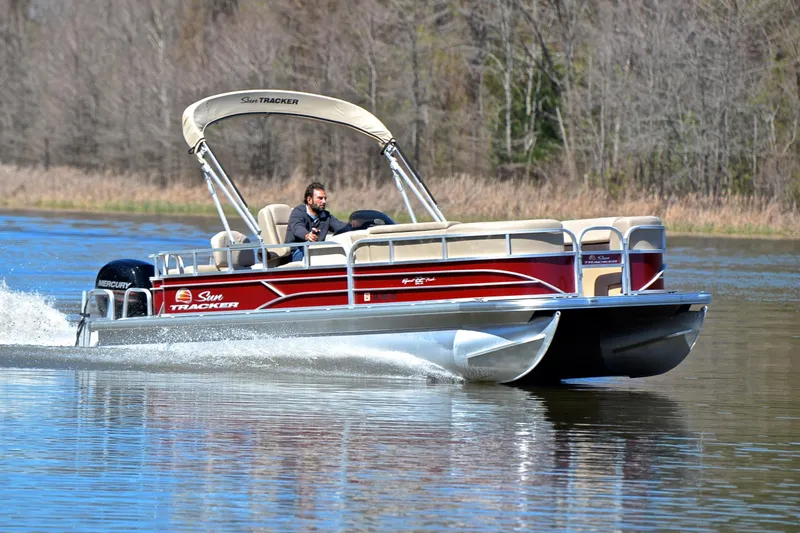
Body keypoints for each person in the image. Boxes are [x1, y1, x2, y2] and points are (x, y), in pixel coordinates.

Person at [285, 182, 349, 262]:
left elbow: (340, 227)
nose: (324, 201)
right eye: (320, 198)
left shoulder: (326, 216)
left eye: (325, 198)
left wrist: (355, 226)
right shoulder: (298, 212)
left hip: (316, 251)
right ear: (309, 200)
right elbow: (297, 227)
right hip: (296, 253)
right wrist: (307, 235)